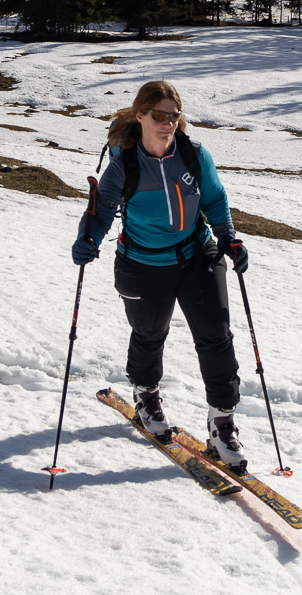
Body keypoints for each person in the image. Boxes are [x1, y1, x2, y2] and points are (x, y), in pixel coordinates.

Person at [70, 79, 253, 471]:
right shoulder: (124, 165)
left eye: (174, 115)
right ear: (140, 116)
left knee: (216, 334)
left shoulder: (193, 155)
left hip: (195, 255)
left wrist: (228, 238)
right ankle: (146, 395)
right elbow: (101, 213)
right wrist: (88, 240)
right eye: (159, 115)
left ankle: (222, 422)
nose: (168, 122)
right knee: (150, 333)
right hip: (142, 264)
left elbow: (215, 199)